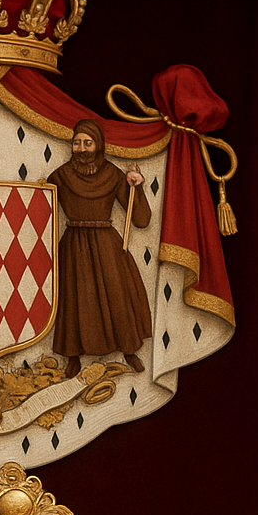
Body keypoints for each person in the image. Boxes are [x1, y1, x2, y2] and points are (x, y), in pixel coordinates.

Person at [49, 118, 153, 378]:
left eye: (87, 143)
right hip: (73, 244)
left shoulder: (113, 174)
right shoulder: (60, 176)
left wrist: (135, 187)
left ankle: (129, 351)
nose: (82, 148)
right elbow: (42, 208)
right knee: (74, 298)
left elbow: (141, 220)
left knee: (117, 296)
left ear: (98, 145)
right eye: (77, 143)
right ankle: (73, 356)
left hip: (107, 245)